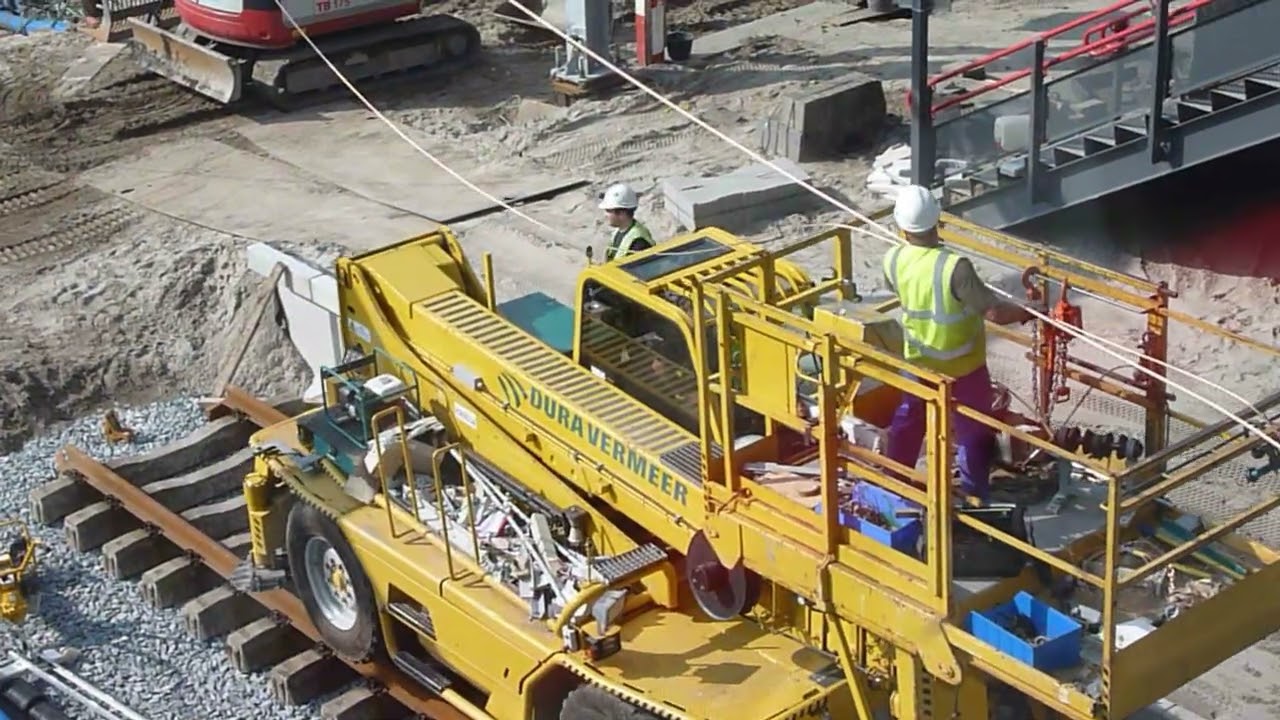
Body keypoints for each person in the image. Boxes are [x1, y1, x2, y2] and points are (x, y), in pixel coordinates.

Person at [882, 184, 1033, 504]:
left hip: (920, 363)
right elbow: (994, 312)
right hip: (964, 368)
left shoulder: (892, 259)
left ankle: (894, 484)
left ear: (901, 227)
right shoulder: (955, 267)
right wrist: (1030, 310)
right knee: (972, 433)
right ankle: (974, 499)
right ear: (937, 221)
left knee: (908, 423)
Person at [599, 183, 653, 262]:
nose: (605, 215)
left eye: (608, 211)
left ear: (621, 213)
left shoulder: (638, 243)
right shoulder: (619, 232)